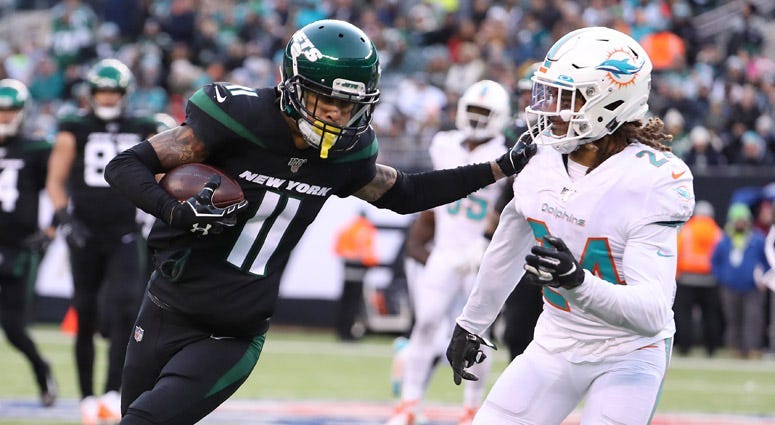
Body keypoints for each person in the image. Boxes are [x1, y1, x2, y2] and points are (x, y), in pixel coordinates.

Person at [103, 19, 535, 425]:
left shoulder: (347, 154)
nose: (335, 113)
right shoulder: (237, 116)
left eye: (349, 104)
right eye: (325, 98)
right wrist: (174, 210)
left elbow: (406, 194)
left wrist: (498, 167)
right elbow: (125, 165)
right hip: (163, 306)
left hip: (231, 333)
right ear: (291, 86)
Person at [445, 26, 695, 424]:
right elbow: (507, 246)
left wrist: (578, 282)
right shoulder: (540, 157)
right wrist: (471, 323)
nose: (547, 109)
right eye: (544, 94)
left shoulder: (654, 179)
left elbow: (651, 312)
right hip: (555, 342)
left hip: (628, 353)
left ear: (610, 101)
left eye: (563, 98)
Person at [386, 80, 511, 425]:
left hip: (480, 256)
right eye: (473, 110)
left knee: (479, 336)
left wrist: (489, 244)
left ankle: (471, 409)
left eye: (485, 113)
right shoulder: (443, 144)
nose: (477, 118)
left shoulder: (507, 154)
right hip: (443, 250)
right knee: (425, 324)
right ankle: (409, 405)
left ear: (500, 117)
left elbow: (510, 209)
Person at [46, 58, 158, 425]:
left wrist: (149, 209)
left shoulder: (142, 126)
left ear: (124, 93)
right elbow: (56, 180)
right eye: (102, 90)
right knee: (86, 310)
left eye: (113, 91)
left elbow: (160, 168)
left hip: (125, 231)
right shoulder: (73, 128)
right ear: (91, 92)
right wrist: (64, 218)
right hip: (86, 232)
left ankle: (112, 390)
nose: (107, 97)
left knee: (126, 309)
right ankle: (86, 396)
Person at [0, 78, 58, 408]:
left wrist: (51, 228)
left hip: (17, 247)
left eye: (9, 112)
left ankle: (42, 371)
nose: (4, 118)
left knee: (13, 328)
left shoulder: (36, 149)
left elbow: (60, 184)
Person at [711, 202, 769, 359]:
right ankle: (735, 348)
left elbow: (766, 261)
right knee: (733, 319)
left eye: (742, 220)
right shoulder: (724, 241)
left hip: (752, 287)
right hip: (730, 287)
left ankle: (752, 348)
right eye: (737, 220)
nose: (740, 223)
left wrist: (765, 277)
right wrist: (722, 277)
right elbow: (715, 262)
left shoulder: (757, 239)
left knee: (753, 319)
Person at [674, 200, 724, 356]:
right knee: (710, 315)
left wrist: (676, 274)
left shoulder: (687, 230)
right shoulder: (716, 232)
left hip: (687, 278)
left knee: (684, 315)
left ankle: (684, 347)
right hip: (710, 280)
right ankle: (711, 348)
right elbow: (722, 256)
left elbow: (677, 251)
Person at [333, 210, 379, 341]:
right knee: (354, 303)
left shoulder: (347, 229)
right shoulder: (365, 229)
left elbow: (338, 249)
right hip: (359, 271)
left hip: (347, 269)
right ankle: (348, 333)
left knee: (345, 301)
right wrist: (371, 264)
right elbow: (368, 252)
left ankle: (341, 331)